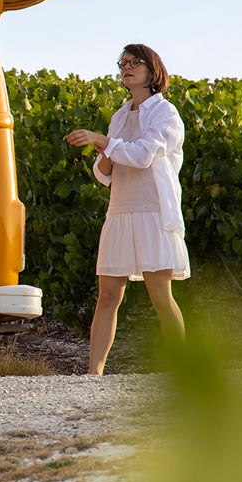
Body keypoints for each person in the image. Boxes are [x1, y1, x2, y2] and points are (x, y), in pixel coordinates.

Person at [65, 43, 188, 377]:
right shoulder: (120, 116)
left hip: (152, 211)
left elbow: (144, 155)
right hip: (119, 212)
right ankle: (94, 374)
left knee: (160, 295)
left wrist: (102, 141)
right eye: (123, 63)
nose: (127, 68)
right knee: (107, 296)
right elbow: (104, 174)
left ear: (152, 71)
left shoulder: (166, 113)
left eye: (136, 63)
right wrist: (103, 151)